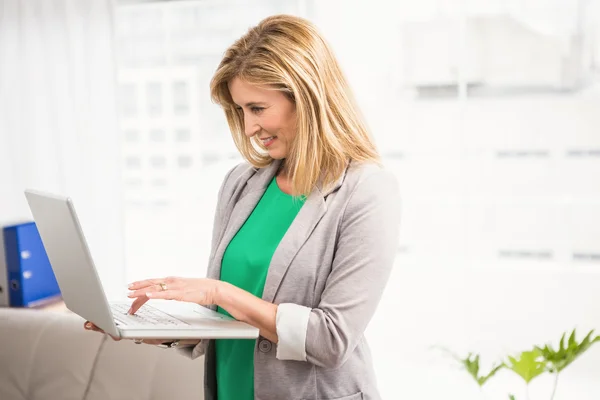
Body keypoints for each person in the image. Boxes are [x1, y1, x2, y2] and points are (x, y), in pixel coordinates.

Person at [85, 14, 400, 400]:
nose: (249, 127)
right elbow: (228, 320)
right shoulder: (242, 183)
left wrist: (218, 292)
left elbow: (331, 339)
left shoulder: (366, 191)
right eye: (241, 111)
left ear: (305, 99)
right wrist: (160, 329)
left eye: (257, 108)